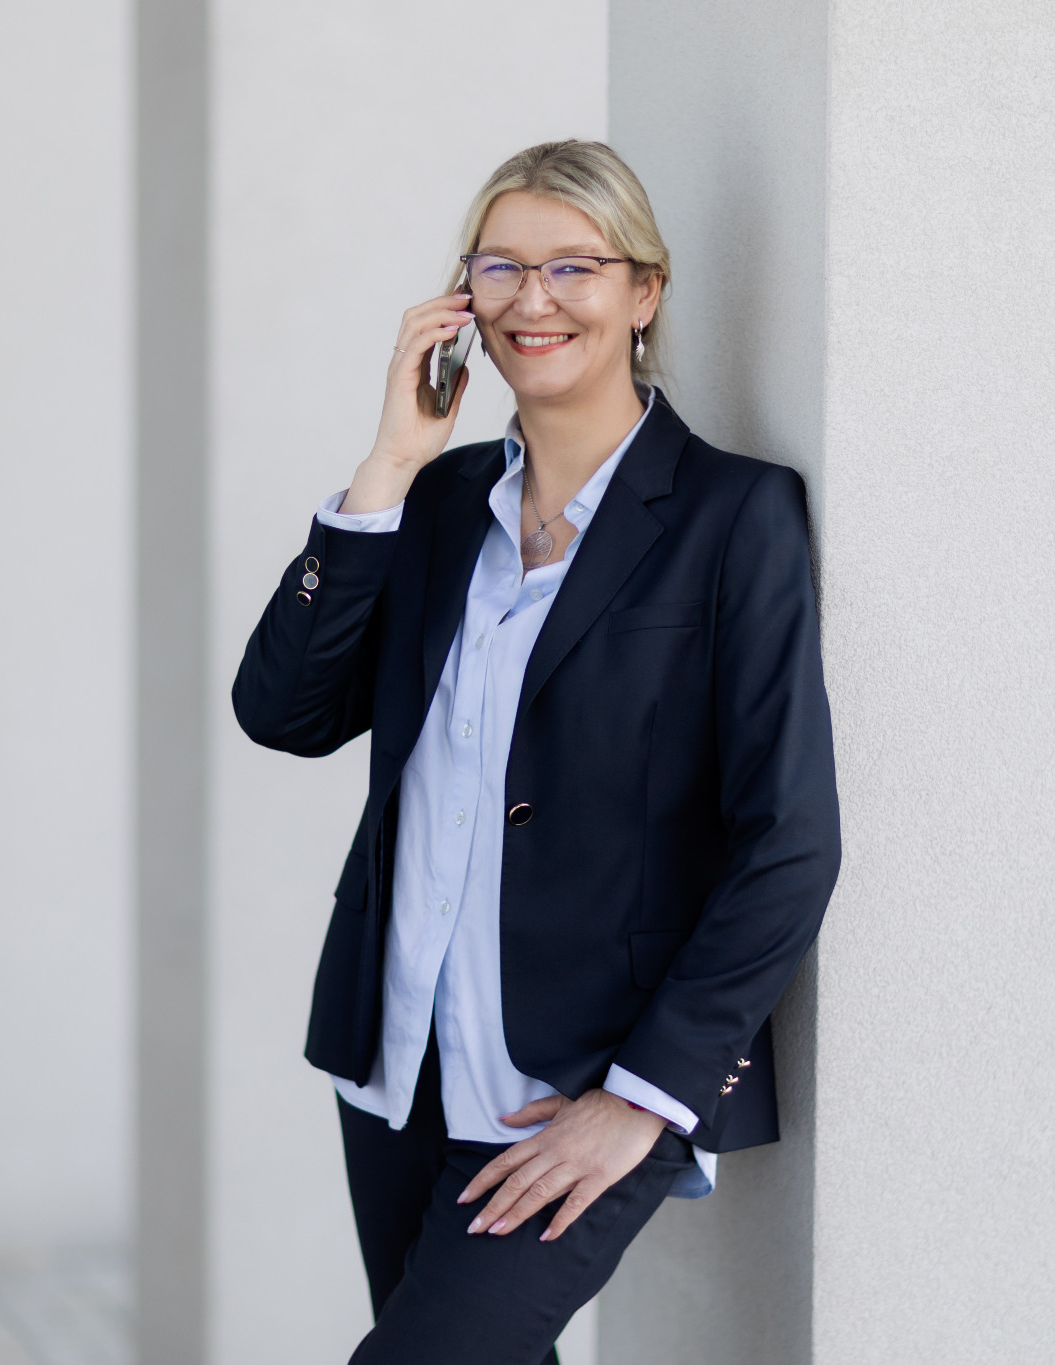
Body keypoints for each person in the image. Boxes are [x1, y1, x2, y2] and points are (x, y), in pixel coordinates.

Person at [232, 140, 840, 1365]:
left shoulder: (732, 517)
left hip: (578, 1084)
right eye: (500, 266)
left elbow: (787, 840)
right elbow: (282, 710)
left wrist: (642, 1101)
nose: (533, 298)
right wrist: (389, 463)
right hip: (397, 1064)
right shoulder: (441, 507)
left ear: (644, 292)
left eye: (573, 266)